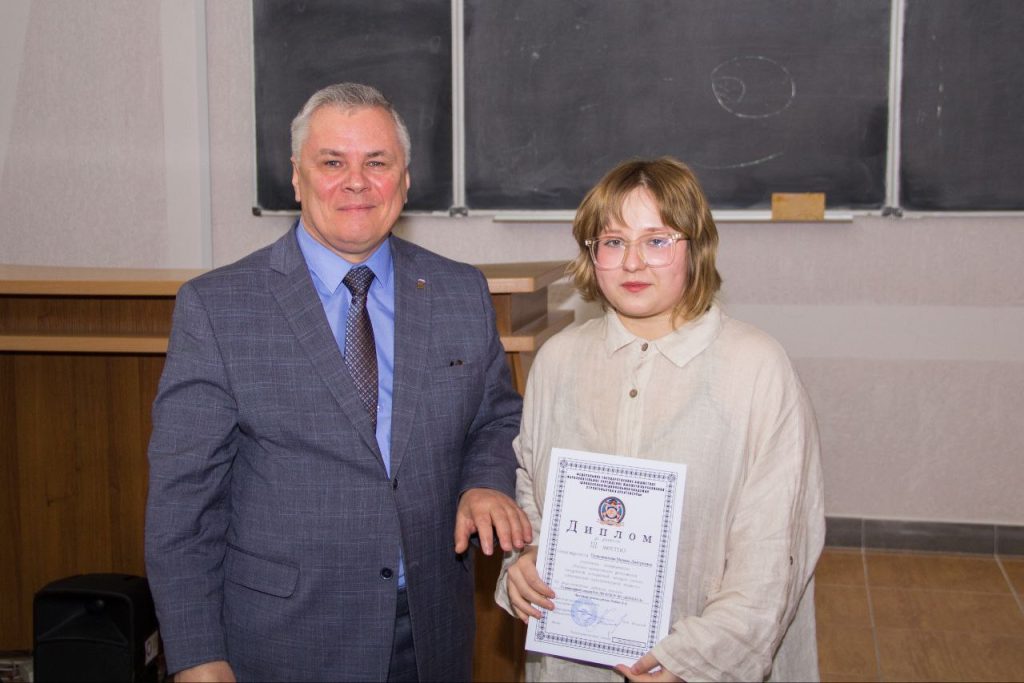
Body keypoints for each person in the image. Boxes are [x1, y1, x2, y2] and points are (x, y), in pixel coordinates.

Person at [145, 82, 531, 682]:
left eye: (377, 162)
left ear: (405, 180)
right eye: (332, 163)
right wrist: (196, 654)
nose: (357, 182)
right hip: (284, 639)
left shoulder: (460, 291)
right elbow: (182, 502)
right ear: (296, 178)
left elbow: (495, 418)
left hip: (431, 629)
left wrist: (484, 481)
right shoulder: (219, 308)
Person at [496, 157, 825, 682]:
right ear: (591, 253)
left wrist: (697, 658)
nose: (632, 263)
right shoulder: (558, 360)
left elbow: (776, 547)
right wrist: (527, 557)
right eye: (613, 241)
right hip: (575, 655)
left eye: (657, 240)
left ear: (696, 247)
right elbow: (531, 489)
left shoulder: (757, 367)